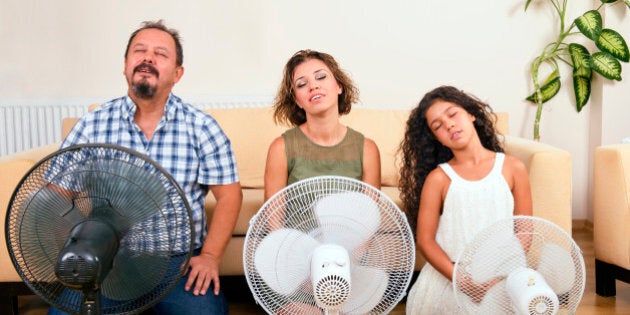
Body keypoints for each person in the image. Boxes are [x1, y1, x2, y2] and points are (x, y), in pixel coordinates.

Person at [48, 20, 242, 315]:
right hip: (108, 262)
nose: (148, 58)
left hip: (177, 265)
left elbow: (229, 195)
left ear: (178, 74)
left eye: (161, 54)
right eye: (140, 51)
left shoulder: (202, 127)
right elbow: (57, 195)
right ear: (125, 65)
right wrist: (78, 249)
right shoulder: (92, 125)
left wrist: (211, 256)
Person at [399, 86, 532, 314]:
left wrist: (499, 272)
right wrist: (462, 280)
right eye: (438, 126)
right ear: (436, 139)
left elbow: (525, 231)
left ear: (471, 114)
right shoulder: (438, 179)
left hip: (502, 274)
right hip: (450, 279)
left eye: (452, 114)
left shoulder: (513, 168)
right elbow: (426, 241)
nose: (449, 124)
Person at [264, 49, 381, 201]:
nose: (313, 86)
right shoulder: (280, 148)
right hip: (293, 226)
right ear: (297, 101)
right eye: (302, 84)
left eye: (321, 77)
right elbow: (272, 221)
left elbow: (369, 217)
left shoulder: (367, 149)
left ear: (339, 86)